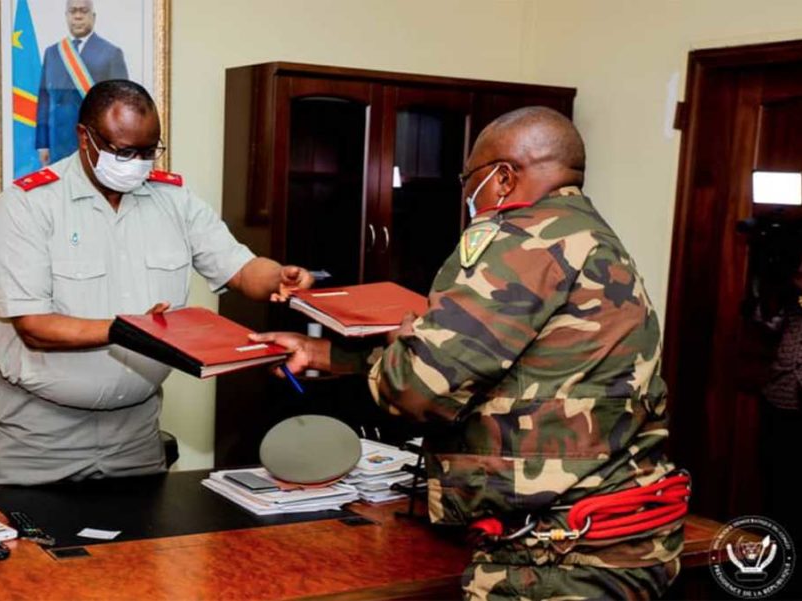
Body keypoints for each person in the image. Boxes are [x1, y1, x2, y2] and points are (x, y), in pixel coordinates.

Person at [252, 107, 685, 600]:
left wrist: (411, 340)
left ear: (502, 177)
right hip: (622, 531)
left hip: (555, 557)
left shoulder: (520, 238)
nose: (465, 192)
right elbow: (523, 370)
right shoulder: (588, 234)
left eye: (468, 178)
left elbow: (417, 391)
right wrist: (327, 354)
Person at [0, 79, 313, 486]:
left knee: (140, 545)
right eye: (123, 151)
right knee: (32, 547)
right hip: (39, 435)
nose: (136, 162)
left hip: (135, 434)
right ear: (84, 137)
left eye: (147, 151)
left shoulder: (173, 200)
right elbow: (34, 328)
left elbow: (242, 269)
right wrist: (137, 331)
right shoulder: (27, 205)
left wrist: (279, 276)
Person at [36, 0, 128, 166]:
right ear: (66, 16)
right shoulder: (52, 53)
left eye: (83, 11)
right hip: (58, 144)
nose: (78, 16)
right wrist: (43, 143)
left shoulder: (111, 53)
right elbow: (44, 100)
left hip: (95, 139)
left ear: (93, 17)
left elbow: (121, 104)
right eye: (73, 11)